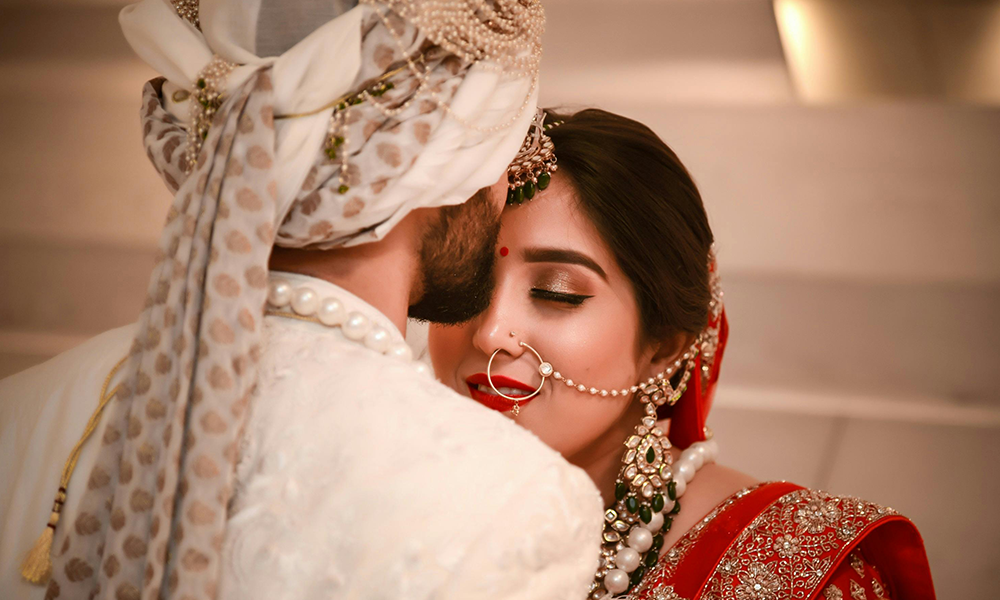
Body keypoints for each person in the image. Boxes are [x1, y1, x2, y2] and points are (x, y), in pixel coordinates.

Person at [0, 3, 604, 599]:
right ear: (444, 164)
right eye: (504, 153)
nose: (503, 185)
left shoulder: (20, 408)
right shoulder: (518, 505)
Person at [428, 108, 937, 600]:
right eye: (464, 287)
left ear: (663, 347)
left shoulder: (798, 570)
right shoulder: (401, 510)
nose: (489, 334)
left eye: (556, 292)